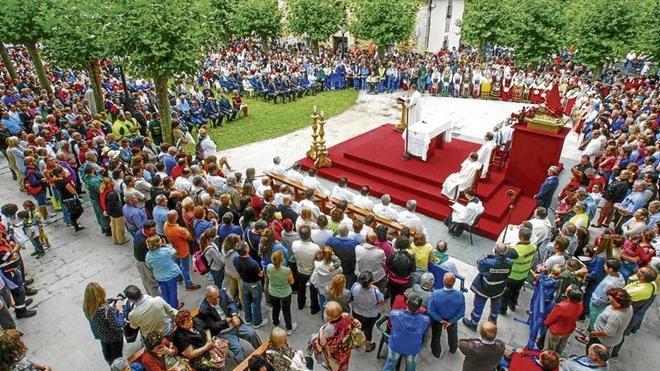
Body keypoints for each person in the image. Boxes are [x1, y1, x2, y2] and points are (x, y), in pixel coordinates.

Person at [197, 285, 262, 363]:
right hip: (223, 332)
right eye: (214, 298)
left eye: (218, 297)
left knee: (252, 333)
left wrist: (234, 314)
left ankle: (262, 352)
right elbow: (213, 326)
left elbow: (231, 303)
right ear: (208, 298)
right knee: (238, 348)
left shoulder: (222, 293)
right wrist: (227, 321)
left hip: (235, 324)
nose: (217, 299)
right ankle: (242, 366)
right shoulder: (204, 309)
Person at [463, 243, 512, 331]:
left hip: (484, 288)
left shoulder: (488, 262)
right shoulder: (509, 262)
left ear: (495, 251)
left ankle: (473, 323)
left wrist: (489, 256)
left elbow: (479, 263)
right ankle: (492, 324)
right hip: (499, 288)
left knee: (479, 305)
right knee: (495, 306)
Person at [383, 292, 430, 371]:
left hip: (395, 346)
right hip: (412, 349)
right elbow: (422, 331)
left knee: (389, 366)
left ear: (407, 303)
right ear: (420, 307)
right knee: (411, 368)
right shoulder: (425, 320)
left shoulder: (395, 314)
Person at [310, 301, 361, 371]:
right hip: (346, 348)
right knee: (344, 363)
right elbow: (354, 322)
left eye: (326, 312)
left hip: (334, 354)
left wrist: (313, 340)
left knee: (334, 366)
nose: (324, 314)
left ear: (330, 317)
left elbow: (320, 343)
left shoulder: (328, 329)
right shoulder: (345, 315)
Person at [83, 282, 125, 365]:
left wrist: (112, 299)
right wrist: (120, 312)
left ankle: (111, 364)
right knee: (117, 358)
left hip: (102, 336)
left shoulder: (86, 307)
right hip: (114, 337)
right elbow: (118, 325)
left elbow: (98, 302)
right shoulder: (106, 310)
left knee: (108, 355)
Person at [427, 272, 466, 358]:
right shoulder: (460, 295)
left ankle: (436, 352)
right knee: (453, 335)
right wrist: (451, 322)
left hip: (437, 320)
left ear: (443, 282)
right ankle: (453, 348)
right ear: (454, 282)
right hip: (452, 320)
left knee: (436, 335)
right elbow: (461, 313)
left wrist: (440, 320)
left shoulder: (435, 294)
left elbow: (430, 310)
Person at [500, 227, 537, 315]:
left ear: (520, 236)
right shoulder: (533, 247)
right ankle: (512, 304)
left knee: (506, 292)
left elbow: (503, 256)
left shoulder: (515, 250)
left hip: (512, 275)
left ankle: (502, 309)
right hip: (523, 274)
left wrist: (506, 247)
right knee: (516, 291)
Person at [586, 288, 633, 354]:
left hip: (601, 339)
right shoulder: (629, 307)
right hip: (613, 338)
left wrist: (594, 334)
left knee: (592, 352)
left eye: (612, 301)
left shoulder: (615, 317)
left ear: (619, 303)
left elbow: (608, 332)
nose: (609, 302)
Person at [163, 210, 201, 291]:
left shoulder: (165, 225)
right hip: (183, 250)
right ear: (175, 218)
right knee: (185, 268)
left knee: (176, 265)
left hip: (174, 249)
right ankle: (188, 284)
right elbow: (189, 237)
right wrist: (186, 230)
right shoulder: (179, 229)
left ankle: (179, 279)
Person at [234, 241, 268, 328]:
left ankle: (248, 319)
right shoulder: (253, 263)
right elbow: (260, 274)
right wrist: (263, 270)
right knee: (256, 302)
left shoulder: (235, 260)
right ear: (246, 249)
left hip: (244, 282)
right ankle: (257, 322)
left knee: (246, 301)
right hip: (254, 284)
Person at [543, 285, 584, 354]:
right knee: (561, 346)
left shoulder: (561, 307)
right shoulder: (580, 305)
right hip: (568, 329)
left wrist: (545, 323)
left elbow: (550, 318)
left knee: (549, 349)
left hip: (556, 330)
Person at [350, 271, 384, 352]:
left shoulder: (355, 286)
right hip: (370, 316)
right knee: (368, 331)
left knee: (357, 327)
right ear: (371, 282)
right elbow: (382, 302)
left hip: (357, 312)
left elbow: (351, 295)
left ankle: (357, 342)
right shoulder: (376, 292)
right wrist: (376, 288)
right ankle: (368, 347)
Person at [145, 235, 182, 309]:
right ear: (159, 243)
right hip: (171, 275)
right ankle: (174, 307)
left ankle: (166, 306)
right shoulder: (166, 251)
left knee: (164, 292)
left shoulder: (148, 256)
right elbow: (174, 252)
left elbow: (149, 266)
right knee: (172, 291)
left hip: (159, 277)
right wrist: (166, 245)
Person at [292, 225, 321, 314]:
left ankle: (300, 304)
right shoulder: (316, 247)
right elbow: (318, 259)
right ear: (310, 234)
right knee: (313, 291)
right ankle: (314, 308)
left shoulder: (295, 244)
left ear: (299, 235)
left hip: (300, 270)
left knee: (301, 288)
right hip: (312, 271)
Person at [267, 250, 297, 334]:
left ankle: (275, 322)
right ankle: (289, 328)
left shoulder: (269, 267)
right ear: (282, 260)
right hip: (285, 293)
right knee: (286, 310)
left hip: (273, 291)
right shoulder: (287, 270)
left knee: (275, 308)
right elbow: (292, 282)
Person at [51, 166, 85, 231]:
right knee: (78, 210)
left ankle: (75, 224)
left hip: (65, 198)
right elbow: (71, 190)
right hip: (71, 198)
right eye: (62, 171)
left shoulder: (56, 182)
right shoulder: (64, 182)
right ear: (59, 174)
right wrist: (76, 194)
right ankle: (73, 222)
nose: (64, 172)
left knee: (73, 212)